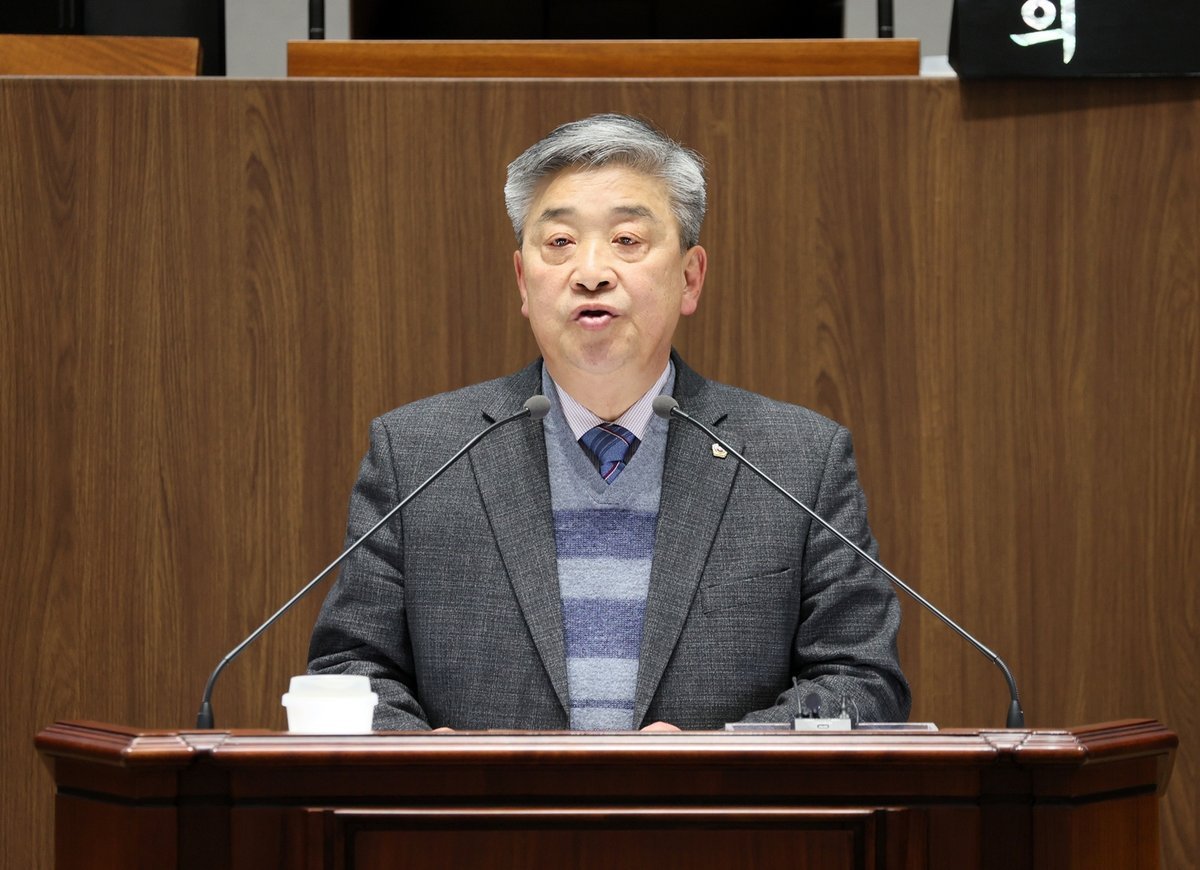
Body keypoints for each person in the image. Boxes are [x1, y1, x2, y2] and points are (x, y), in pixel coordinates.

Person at [308, 114, 910, 731]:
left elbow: (861, 681)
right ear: (522, 281)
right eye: (559, 242)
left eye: (627, 239)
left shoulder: (796, 461)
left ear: (690, 278)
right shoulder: (419, 455)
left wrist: (720, 758)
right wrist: (444, 767)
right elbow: (350, 672)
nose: (591, 272)